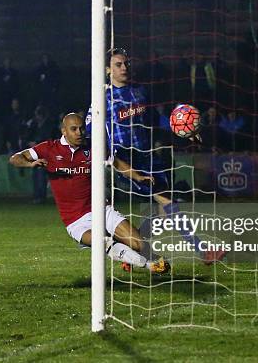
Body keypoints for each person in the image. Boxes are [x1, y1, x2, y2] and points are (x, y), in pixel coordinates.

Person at [86, 48, 225, 265]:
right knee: (169, 202)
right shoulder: (102, 99)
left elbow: (157, 121)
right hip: (127, 162)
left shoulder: (140, 92)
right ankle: (203, 251)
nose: (124, 68)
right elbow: (89, 131)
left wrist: (184, 131)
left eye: (126, 63)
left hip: (149, 157)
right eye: (118, 65)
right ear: (107, 70)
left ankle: (132, 249)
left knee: (158, 212)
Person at [10, 113, 169, 273]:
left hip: (101, 209)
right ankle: (149, 265)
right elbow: (15, 158)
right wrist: (29, 164)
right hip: (76, 220)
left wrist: (138, 176)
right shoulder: (49, 149)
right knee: (103, 243)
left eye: (82, 129)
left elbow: (117, 163)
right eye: (74, 129)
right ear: (64, 131)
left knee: (139, 244)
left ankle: (129, 254)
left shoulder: (93, 147)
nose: (79, 133)